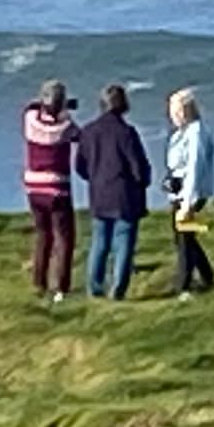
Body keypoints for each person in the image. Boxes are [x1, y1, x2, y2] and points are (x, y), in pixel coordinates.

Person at [72, 82, 155, 299]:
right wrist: (144, 181)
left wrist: (95, 178)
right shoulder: (126, 133)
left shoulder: (88, 132)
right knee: (123, 242)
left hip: (99, 194)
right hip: (125, 195)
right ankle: (118, 288)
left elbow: (80, 165)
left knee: (99, 242)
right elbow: (138, 167)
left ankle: (95, 287)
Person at [20, 79, 78, 300]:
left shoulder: (30, 120)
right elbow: (78, 136)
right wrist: (64, 111)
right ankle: (61, 288)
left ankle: (39, 283)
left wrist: (47, 104)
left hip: (33, 187)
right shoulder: (65, 126)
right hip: (57, 188)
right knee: (64, 238)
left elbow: (29, 107)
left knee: (43, 235)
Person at [163, 87, 214, 296]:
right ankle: (207, 276)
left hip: (191, 195)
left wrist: (187, 203)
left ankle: (184, 286)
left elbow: (195, 167)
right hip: (179, 192)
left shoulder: (196, 133)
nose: (171, 116)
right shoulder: (183, 132)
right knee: (183, 237)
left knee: (185, 239)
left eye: (174, 111)